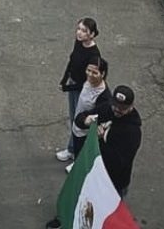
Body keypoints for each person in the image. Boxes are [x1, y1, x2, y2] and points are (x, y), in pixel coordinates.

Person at [74, 85, 142, 196]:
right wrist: (85, 121)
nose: (117, 110)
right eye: (115, 105)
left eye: (122, 108)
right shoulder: (107, 109)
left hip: (113, 183)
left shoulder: (132, 133)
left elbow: (118, 163)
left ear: (131, 107)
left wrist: (101, 140)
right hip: (95, 174)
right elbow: (80, 119)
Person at [55, 17, 101, 162]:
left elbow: (86, 81)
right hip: (73, 84)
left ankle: (76, 153)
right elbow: (72, 61)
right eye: (79, 29)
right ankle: (72, 148)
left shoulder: (94, 55)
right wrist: (64, 80)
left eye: (84, 31)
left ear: (92, 34)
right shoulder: (79, 43)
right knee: (73, 118)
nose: (79, 33)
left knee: (79, 121)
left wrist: (68, 87)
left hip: (81, 89)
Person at [68, 56, 111, 161]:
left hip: (85, 134)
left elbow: (100, 119)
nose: (90, 75)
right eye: (88, 70)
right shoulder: (87, 81)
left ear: (103, 74)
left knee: (83, 159)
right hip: (77, 127)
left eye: (95, 72)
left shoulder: (104, 97)